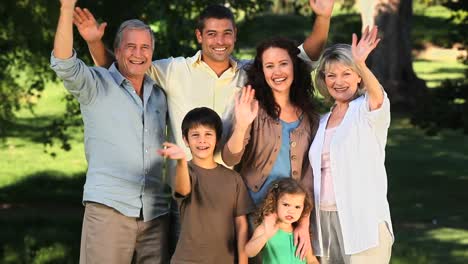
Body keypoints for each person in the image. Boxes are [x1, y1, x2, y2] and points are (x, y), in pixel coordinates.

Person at [72, 1, 335, 159]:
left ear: (235, 34)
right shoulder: (174, 70)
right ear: (199, 36)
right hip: (185, 187)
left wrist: (323, 17)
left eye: (226, 33)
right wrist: (95, 42)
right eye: (211, 34)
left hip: (232, 186)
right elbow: (123, 68)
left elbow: (302, 59)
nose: (219, 41)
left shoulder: (251, 73)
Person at [51, 1, 170, 263]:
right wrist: (67, 8)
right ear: (117, 51)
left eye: (144, 47)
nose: (138, 54)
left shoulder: (159, 93)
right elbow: (63, 63)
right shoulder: (96, 85)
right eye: (130, 47)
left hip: (155, 214)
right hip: (109, 210)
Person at [222, 37, 319, 259]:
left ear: (294, 66)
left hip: (292, 216)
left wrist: (303, 223)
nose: (277, 71)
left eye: (283, 63)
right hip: (254, 213)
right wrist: (243, 124)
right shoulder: (252, 106)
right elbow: (230, 158)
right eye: (269, 66)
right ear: (262, 72)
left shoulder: (309, 116)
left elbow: (308, 175)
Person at [308, 26, 394, 264]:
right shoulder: (322, 121)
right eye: (331, 75)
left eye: (347, 73)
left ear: (358, 77)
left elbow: (378, 97)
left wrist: (361, 63)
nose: (338, 82)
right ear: (323, 80)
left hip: (363, 221)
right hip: (324, 221)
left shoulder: (366, 111)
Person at [158, 107, 254, 264]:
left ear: (218, 138)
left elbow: (241, 225)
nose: (202, 140)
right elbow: (183, 190)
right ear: (185, 140)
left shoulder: (234, 179)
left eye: (208, 134)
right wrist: (181, 161)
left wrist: (243, 262)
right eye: (195, 135)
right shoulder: (183, 171)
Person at [245, 178, 319, 264]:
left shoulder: (301, 234)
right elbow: (248, 252)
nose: (291, 211)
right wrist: (265, 236)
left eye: (297, 207)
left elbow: (312, 261)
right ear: (274, 202)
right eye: (286, 205)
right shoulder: (267, 227)